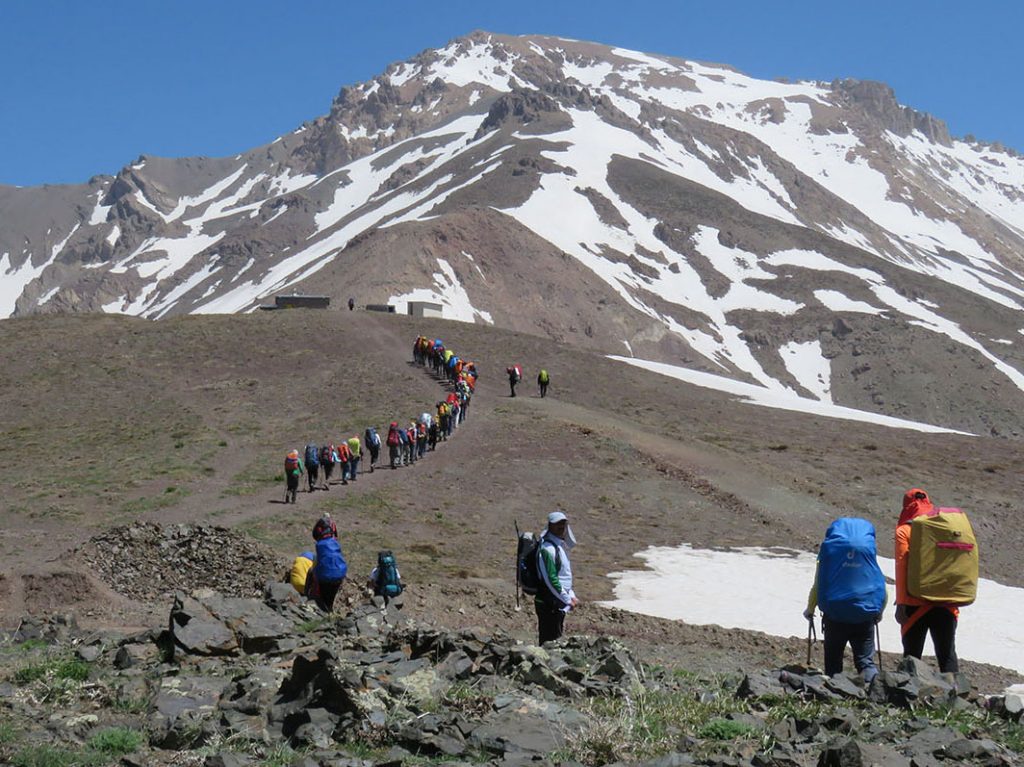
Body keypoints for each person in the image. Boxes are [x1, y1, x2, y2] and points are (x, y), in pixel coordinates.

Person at [804, 518, 887, 684]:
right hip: (864, 615)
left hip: (835, 615)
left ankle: (834, 695)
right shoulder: (866, 552)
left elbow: (819, 584)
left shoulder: (830, 553)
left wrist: (810, 609)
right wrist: (879, 611)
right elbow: (880, 586)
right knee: (865, 661)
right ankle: (875, 691)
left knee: (833, 662)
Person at [894, 488, 960, 673]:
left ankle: (908, 698)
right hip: (945, 601)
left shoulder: (904, 530)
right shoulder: (945, 526)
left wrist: (901, 604)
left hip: (914, 603)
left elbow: (902, 567)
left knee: (911, 656)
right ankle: (955, 698)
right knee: (947, 655)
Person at [535, 510, 579, 644]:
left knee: (554, 638)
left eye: (563, 524)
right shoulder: (548, 549)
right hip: (549, 603)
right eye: (557, 524)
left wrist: (570, 595)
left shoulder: (558, 547)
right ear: (550, 526)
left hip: (556, 602)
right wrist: (567, 599)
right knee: (549, 641)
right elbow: (551, 579)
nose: (561, 527)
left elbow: (563, 576)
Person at [306, 514, 347, 612]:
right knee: (330, 600)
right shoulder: (335, 542)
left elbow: (320, 564)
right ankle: (330, 611)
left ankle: (307, 596)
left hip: (326, 577)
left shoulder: (320, 545)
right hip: (341, 573)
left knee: (323, 599)